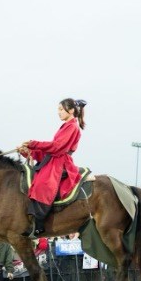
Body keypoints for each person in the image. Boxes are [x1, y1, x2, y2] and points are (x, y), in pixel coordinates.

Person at [19, 98, 87, 236]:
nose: (59, 112)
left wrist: (34, 144)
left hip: (61, 161)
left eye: (61, 109)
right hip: (54, 158)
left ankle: (39, 225)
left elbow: (57, 147)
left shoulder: (73, 126)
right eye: (58, 110)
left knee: (43, 184)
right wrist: (28, 150)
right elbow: (51, 148)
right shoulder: (66, 126)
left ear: (71, 110)